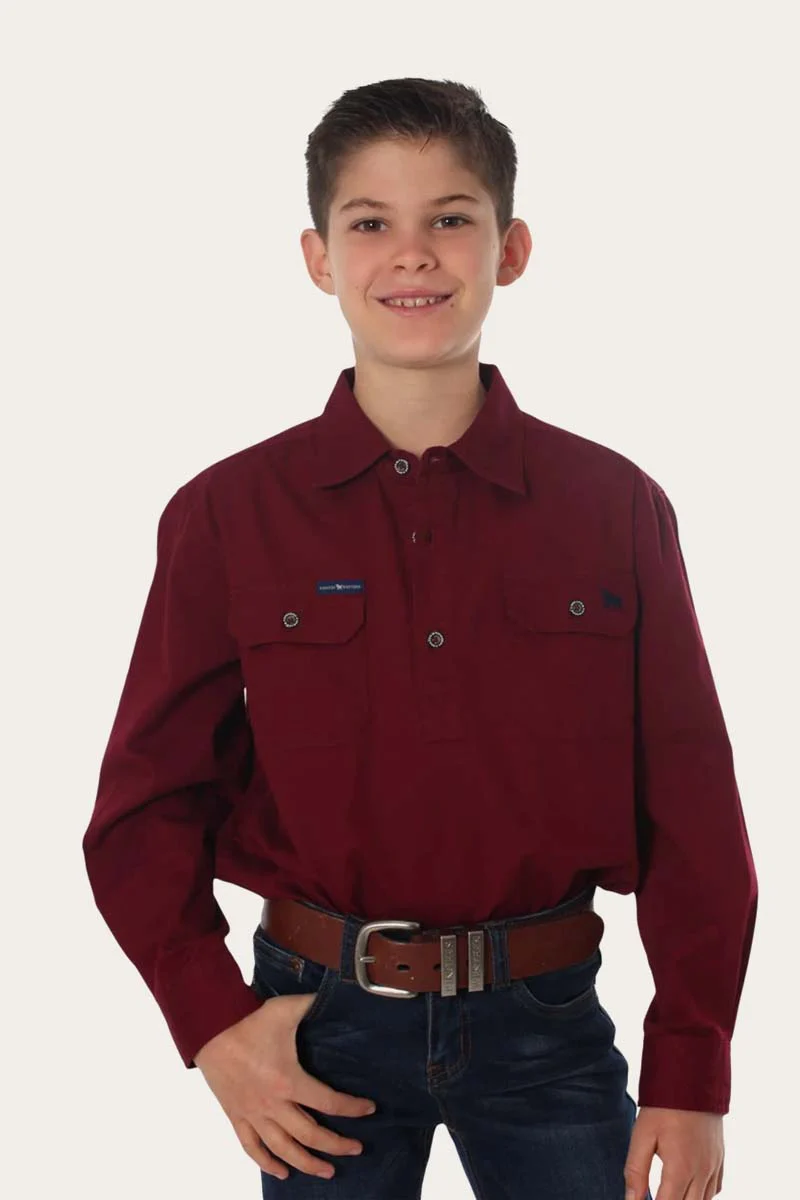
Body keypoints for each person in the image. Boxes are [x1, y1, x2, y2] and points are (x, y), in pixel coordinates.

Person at [82, 77, 757, 1199]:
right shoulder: (227, 513)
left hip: (547, 1027)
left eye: (449, 217)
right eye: (369, 223)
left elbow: (692, 805)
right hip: (313, 1032)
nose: (412, 254)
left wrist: (692, 1073)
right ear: (316, 257)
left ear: (511, 248)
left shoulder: (613, 506)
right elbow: (143, 808)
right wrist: (213, 1026)